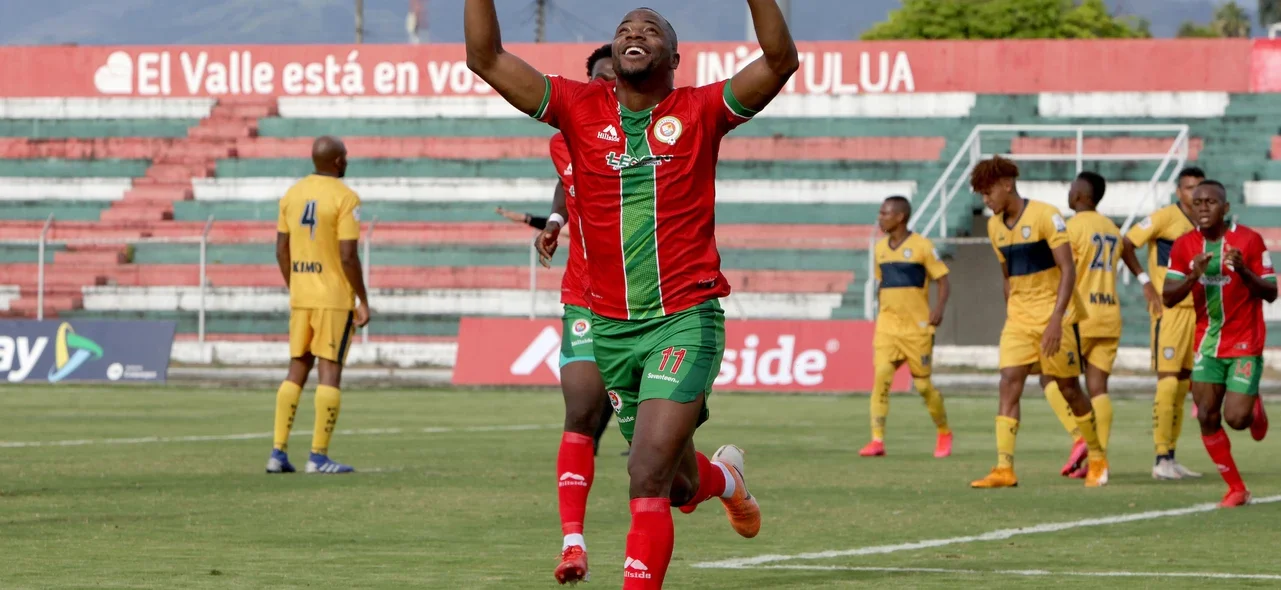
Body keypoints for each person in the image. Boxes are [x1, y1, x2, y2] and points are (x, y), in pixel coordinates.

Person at [465, 1, 798, 587]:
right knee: (677, 485)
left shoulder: (700, 111)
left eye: (650, 30)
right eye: (623, 30)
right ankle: (725, 480)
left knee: (643, 475)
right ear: (614, 56)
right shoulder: (577, 106)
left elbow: (779, 59)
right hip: (611, 328)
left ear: (674, 56)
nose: (633, 34)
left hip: (683, 319)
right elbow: (485, 58)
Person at [529, 43, 625, 585]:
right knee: (581, 417)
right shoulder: (566, 140)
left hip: (654, 307)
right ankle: (573, 545)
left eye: (613, 79)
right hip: (586, 295)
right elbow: (569, 181)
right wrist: (554, 222)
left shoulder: (660, 140)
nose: (604, 89)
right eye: (596, 81)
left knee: (671, 477)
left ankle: (725, 481)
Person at [969, 156, 1109, 489]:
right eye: (981, 196)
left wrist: (1056, 320)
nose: (985, 201)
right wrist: (1012, 316)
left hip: (1053, 316)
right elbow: (1007, 276)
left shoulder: (1047, 215)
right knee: (1008, 382)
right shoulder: (993, 227)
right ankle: (1004, 468)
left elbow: (1068, 270)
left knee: (1069, 388)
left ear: (1007, 185)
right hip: (1019, 319)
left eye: (988, 193)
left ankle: (1097, 456)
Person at [1163, 180, 1275, 508]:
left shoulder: (1249, 241)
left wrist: (1242, 271)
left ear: (1225, 209)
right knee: (1207, 416)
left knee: (1236, 419)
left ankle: (1252, 407)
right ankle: (1236, 488)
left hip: (1244, 342)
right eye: (1197, 203)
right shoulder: (1184, 246)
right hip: (1208, 345)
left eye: (1211, 202)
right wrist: (1192, 277)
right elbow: (1168, 298)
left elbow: (1270, 292)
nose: (1203, 208)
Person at [266, 136, 371, 475]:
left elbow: (281, 250)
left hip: (302, 296)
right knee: (330, 371)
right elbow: (348, 255)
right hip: (333, 299)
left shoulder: (292, 194)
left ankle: (277, 452)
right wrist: (363, 300)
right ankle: (318, 456)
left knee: (296, 369)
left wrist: (296, 284)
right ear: (339, 161)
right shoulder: (345, 198)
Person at [1120, 167, 1205, 480]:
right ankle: (1159, 457)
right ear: (1178, 191)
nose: (1194, 193)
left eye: (1199, 187)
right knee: (1168, 382)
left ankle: (1171, 455)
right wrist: (1144, 281)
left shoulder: (1205, 225)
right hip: (1169, 312)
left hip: (1196, 312)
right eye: (1188, 188)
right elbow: (1126, 243)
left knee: (1183, 385)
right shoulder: (1165, 217)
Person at [859, 195, 953, 459]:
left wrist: (938, 309)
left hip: (916, 329)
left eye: (884, 213)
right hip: (888, 327)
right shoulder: (879, 249)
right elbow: (882, 283)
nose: (880, 218)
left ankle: (944, 431)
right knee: (881, 378)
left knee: (923, 386)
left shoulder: (922, 246)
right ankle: (877, 440)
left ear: (899, 217)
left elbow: (944, 279)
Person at [1042, 172, 1120, 479]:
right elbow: (1127, 251)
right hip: (1110, 314)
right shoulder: (1111, 227)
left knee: (1049, 377)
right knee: (1098, 388)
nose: (1068, 191)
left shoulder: (1071, 227)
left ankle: (1080, 437)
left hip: (1080, 316)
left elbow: (1061, 270)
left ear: (1082, 196)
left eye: (1072, 186)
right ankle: (1097, 459)